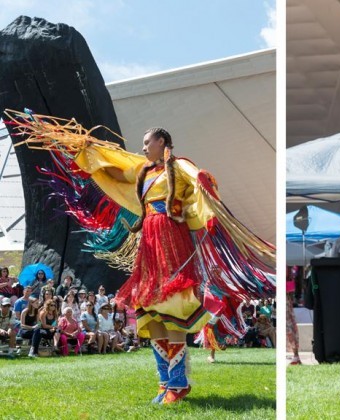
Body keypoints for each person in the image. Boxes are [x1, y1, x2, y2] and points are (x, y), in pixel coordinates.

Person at [10, 114, 275, 404]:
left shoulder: (179, 165)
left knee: (172, 304)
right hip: (149, 242)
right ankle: (165, 383)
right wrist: (89, 154)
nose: (143, 146)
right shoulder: (144, 171)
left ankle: (178, 383)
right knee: (149, 307)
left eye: (148, 142)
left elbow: (197, 184)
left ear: (162, 141)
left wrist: (205, 192)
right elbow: (116, 168)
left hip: (172, 238)